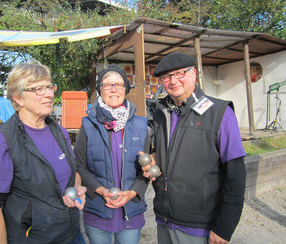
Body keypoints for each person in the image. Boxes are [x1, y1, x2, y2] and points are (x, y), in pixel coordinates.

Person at [143, 52, 246, 244]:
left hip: (199, 226)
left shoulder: (220, 113)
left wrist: (224, 227)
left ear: (194, 74)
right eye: (167, 77)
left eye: (180, 73)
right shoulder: (161, 113)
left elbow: (236, 174)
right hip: (164, 220)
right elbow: (171, 150)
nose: (173, 81)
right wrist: (155, 156)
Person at [0, 63, 87, 244]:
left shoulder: (59, 132)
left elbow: (72, 173)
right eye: (38, 89)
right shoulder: (1, 142)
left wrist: (76, 187)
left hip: (72, 234)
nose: (50, 94)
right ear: (18, 98)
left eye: (49, 87)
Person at [75, 65, 150, 244]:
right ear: (100, 90)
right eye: (108, 85)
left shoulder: (141, 126)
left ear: (125, 89)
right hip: (98, 210)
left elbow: (146, 169)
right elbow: (79, 165)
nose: (114, 89)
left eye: (119, 84)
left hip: (131, 211)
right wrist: (100, 190)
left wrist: (132, 193)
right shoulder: (87, 125)